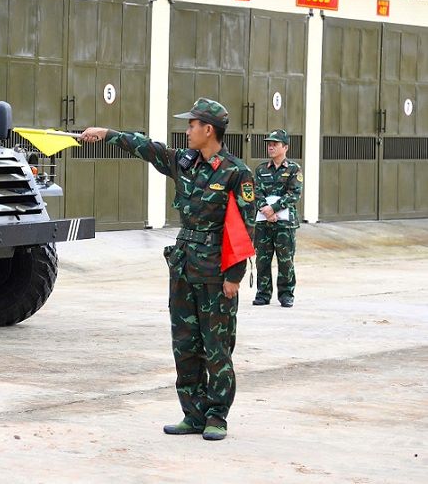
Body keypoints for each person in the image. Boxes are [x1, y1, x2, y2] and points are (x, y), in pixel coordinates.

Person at [78, 98, 255, 441]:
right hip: (184, 265)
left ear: (208, 130)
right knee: (185, 345)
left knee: (216, 347)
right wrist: (107, 133)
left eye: (191, 125)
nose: (186, 130)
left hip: (216, 271)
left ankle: (217, 416)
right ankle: (193, 413)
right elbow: (148, 148)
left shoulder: (236, 172)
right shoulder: (184, 162)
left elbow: (246, 228)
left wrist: (234, 276)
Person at [252, 129, 303, 308]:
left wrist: (273, 209)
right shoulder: (260, 169)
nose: (271, 147)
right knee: (262, 259)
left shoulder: (293, 169)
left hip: (285, 224)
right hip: (263, 223)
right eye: (269, 144)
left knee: (285, 260)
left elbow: (294, 194)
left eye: (275, 144)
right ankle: (263, 294)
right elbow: (255, 192)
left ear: (285, 147)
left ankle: (286, 294)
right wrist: (265, 211)